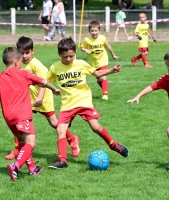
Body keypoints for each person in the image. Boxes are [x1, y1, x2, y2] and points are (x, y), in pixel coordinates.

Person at [0, 47, 61, 181]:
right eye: (21, 60)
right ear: (17, 61)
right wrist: (55, 89)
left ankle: (33, 168)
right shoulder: (23, 73)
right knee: (31, 144)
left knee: (22, 142)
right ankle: (16, 166)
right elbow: (44, 82)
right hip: (22, 115)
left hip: (8, 117)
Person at [47, 38, 129, 169]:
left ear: (75, 53)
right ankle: (63, 160)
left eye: (71, 56)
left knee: (96, 128)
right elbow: (45, 81)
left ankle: (113, 144)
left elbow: (96, 73)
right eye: (65, 57)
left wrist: (112, 70)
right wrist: (53, 89)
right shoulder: (54, 68)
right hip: (67, 105)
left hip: (83, 101)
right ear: (59, 54)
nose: (68, 59)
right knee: (60, 130)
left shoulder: (81, 64)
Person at [4, 36, 80, 160]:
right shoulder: (18, 65)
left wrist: (40, 97)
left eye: (27, 53)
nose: (24, 56)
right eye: (22, 53)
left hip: (43, 97)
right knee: (19, 123)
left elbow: (44, 82)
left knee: (54, 123)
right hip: (28, 99)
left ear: (33, 51)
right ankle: (18, 149)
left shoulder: (36, 64)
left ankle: (72, 140)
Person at [81, 21, 119, 100]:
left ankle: (105, 94)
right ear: (89, 31)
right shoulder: (87, 40)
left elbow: (108, 47)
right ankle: (104, 90)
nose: (94, 33)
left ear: (99, 31)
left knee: (103, 77)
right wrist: (85, 50)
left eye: (95, 31)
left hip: (103, 60)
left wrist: (113, 55)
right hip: (93, 61)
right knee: (98, 79)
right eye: (92, 31)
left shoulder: (102, 38)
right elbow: (82, 47)